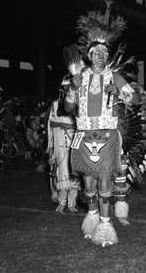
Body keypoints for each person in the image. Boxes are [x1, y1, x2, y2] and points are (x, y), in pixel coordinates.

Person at [64, 5, 140, 247]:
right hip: (84, 136)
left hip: (107, 136)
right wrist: (73, 89)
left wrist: (119, 92)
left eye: (103, 54)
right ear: (89, 55)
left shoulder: (115, 78)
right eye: (95, 53)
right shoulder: (79, 78)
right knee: (88, 184)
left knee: (105, 181)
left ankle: (106, 227)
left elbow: (135, 99)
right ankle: (93, 218)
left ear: (107, 57)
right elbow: (67, 108)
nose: (99, 57)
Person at [46, 81, 80, 213]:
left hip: (74, 145)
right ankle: (61, 202)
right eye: (64, 89)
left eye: (68, 89)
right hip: (60, 145)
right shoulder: (55, 105)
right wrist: (63, 125)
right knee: (61, 174)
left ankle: (72, 203)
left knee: (74, 174)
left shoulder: (77, 104)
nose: (66, 91)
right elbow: (51, 123)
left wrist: (71, 127)